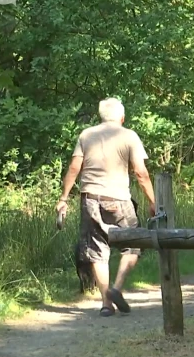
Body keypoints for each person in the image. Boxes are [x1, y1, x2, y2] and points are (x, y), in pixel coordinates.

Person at [55, 97, 156, 317]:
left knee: (97, 249)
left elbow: (74, 168)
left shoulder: (86, 135)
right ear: (122, 117)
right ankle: (116, 288)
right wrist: (152, 201)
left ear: (101, 116)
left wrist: (63, 198)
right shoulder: (129, 136)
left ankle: (105, 304)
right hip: (119, 198)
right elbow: (141, 172)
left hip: (91, 198)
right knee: (133, 245)